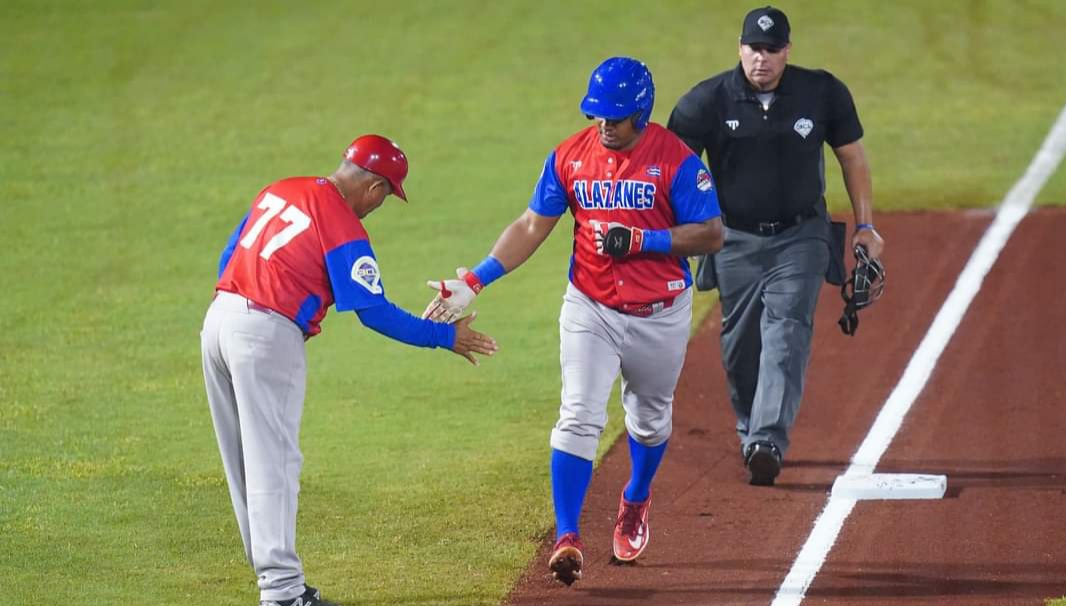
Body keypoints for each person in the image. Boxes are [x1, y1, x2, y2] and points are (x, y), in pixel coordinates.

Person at [422, 57, 724, 586]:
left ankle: (635, 497)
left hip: (660, 313)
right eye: (597, 115)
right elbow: (533, 223)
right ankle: (567, 537)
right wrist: (475, 279)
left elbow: (712, 233)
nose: (604, 125)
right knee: (578, 417)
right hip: (591, 307)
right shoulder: (570, 156)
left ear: (641, 113)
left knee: (650, 421)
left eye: (615, 116)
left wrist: (645, 241)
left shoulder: (674, 161)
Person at [200, 134, 498, 606]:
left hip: (218, 320)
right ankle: (281, 593)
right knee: (274, 464)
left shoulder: (281, 188)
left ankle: (274, 581)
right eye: (386, 197)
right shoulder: (341, 221)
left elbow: (228, 255)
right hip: (264, 336)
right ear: (376, 188)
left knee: (243, 459)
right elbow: (372, 311)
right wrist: (446, 336)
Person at [666, 6, 885, 486]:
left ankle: (767, 438)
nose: (760, 58)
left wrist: (866, 225)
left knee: (787, 329)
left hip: (800, 235)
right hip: (734, 239)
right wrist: (679, 237)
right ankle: (750, 429)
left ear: (787, 50)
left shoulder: (822, 92)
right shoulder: (706, 102)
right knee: (739, 345)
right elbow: (671, 172)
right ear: (739, 48)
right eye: (753, 48)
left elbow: (852, 157)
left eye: (771, 49)